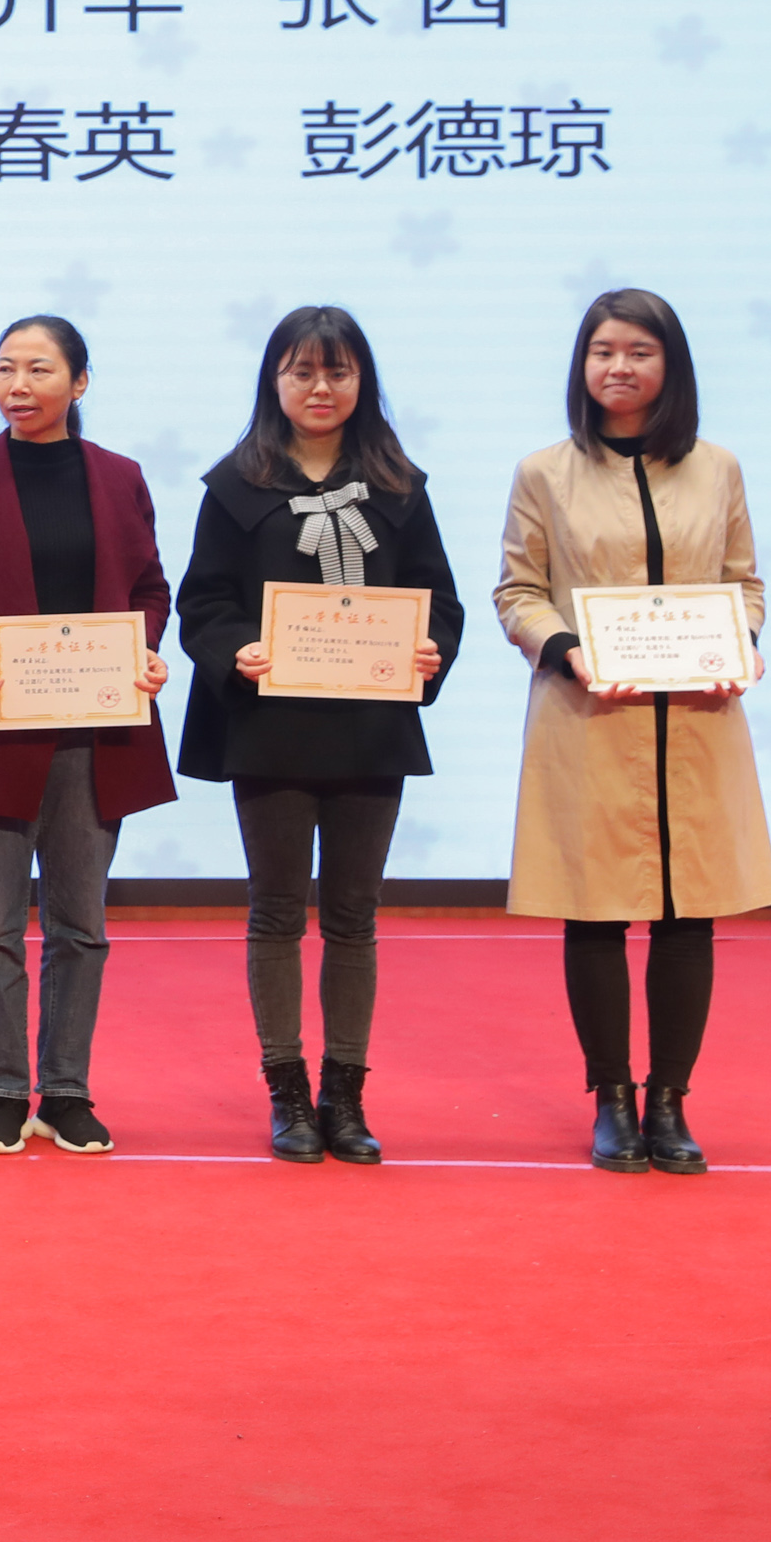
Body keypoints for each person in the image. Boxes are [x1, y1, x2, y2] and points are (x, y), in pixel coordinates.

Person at [173, 305, 463, 1165]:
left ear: (361, 380)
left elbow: (439, 600)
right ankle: (287, 1090)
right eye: (301, 370)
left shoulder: (400, 486)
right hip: (270, 727)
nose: (320, 387)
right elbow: (201, 603)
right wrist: (237, 650)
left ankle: (346, 1093)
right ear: (275, 380)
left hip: (370, 729)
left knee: (353, 916)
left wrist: (429, 650)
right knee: (274, 909)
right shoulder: (236, 486)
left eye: (338, 370)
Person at [496, 290, 771, 1175]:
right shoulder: (545, 471)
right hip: (590, 715)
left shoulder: (717, 467)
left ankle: (670, 1100)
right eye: (603, 351)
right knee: (596, 907)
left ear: (670, 365)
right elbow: (518, 591)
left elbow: (743, 582)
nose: (618, 366)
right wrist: (566, 649)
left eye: (639, 351)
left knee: (688, 910)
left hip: (696, 718)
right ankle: (612, 1098)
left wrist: (742, 640)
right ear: (582, 364)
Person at [0, 315, 177, 1157]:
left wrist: (143, 649)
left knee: (79, 924)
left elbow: (151, 587)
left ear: (79, 382)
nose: (18, 385)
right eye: (5, 368)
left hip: (96, 730)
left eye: (39, 368)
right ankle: (0, 1088)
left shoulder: (120, 477)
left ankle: (65, 1090)